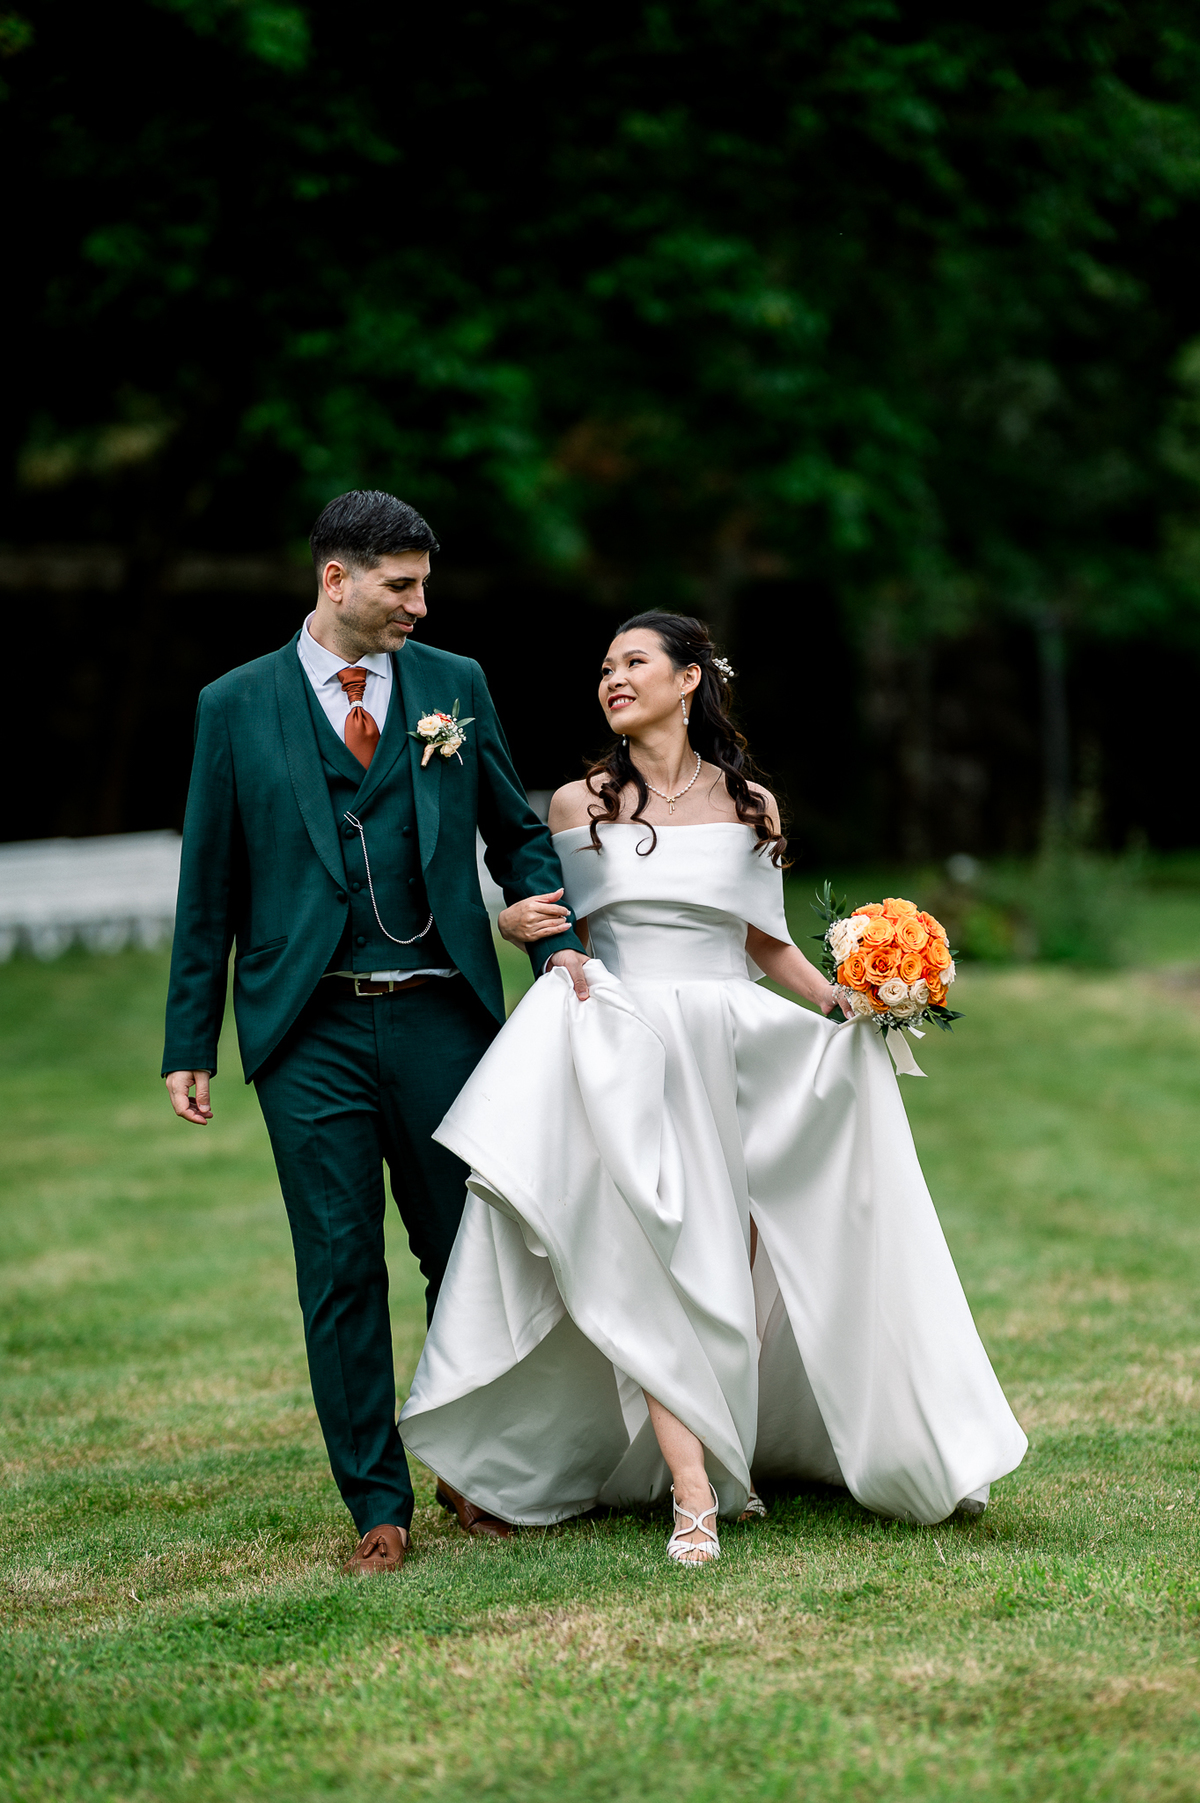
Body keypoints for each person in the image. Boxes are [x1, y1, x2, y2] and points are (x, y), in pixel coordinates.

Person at [400, 610, 1027, 1564]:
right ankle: (694, 1490)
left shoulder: (751, 805)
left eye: (634, 662)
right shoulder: (577, 805)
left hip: (730, 1041)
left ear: (689, 678)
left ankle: (740, 1452)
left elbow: (763, 939)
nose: (613, 679)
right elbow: (560, 924)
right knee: (658, 1261)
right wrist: (518, 924)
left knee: (724, 1262)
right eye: (604, 667)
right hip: (624, 1043)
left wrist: (851, 999)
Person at [162, 490, 588, 1574]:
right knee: (340, 1266)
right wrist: (189, 1039)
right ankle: (376, 1504)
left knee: (467, 1253)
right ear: (335, 579)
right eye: (400, 586)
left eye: (423, 585)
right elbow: (208, 885)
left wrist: (554, 945)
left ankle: (473, 1467)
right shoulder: (234, 704)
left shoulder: (455, 686)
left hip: (445, 1012)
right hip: (308, 1029)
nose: (419, 606)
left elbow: (517, 834)